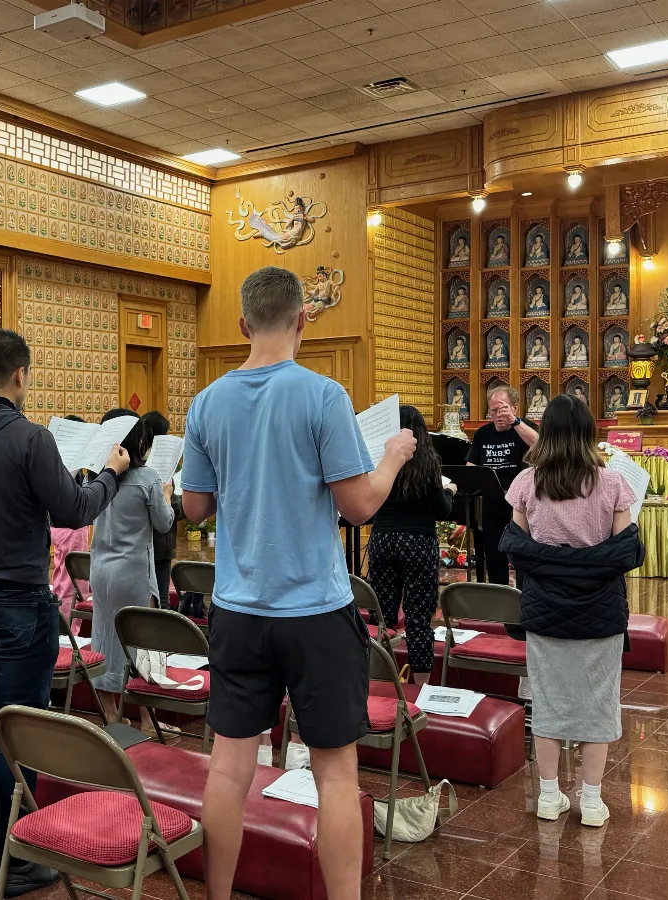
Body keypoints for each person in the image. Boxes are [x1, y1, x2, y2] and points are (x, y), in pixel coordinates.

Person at [181, 266, 415, 900]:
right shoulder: (323, 396)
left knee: (229, 771)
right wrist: (393, 455)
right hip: (315, 609)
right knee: (336, 775)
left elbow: (195, 507)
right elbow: (360, 505)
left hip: (238, 607)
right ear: (302, 319)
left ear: (241, 325)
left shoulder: (207, 403)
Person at [0, 328, 128, 894]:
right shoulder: (29, 436)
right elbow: (71, 509)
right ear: (20, 375)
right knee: (20, 725)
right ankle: (18, 857)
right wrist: (108, 474)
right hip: (18, 597)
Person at [500, 394, 643, 828]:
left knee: (547, 700)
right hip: (600, 609)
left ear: (548, 432)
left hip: (544, 608)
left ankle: (548, 796)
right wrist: (586, 560)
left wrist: (554, 561)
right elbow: (624, 552)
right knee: (598, 703)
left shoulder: (527, 482)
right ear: (588, 434)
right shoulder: (614, 483)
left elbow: (516, 550)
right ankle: (593, 803)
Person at [89, 410, 175, 732]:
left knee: (103, 639)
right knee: (142, 644)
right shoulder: (148, 478)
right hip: (134, 572)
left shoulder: (96, 476)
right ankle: (147, 720)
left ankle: (111, 715)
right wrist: (165, 495)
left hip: (100, 570)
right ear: (139, 439)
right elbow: (164, 523)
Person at [367, 406, 456, 686]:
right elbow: (442, 510)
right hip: (418, 542)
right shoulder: (428, 462)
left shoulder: (377, 458)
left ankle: (378, 680)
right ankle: (421, 689)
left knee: (380, 615)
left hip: (383, 539)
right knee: (418, 619)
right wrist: (449, 491)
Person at [466, 385, 538, 585]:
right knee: (494, 555)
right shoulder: (483, 433)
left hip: (521, 506)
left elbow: (541, 447)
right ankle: (499, 600)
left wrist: (514, 422)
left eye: (502, 409)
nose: (497, 415)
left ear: (514, 407)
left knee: (523, 555)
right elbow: (471, 466)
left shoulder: (526, 428)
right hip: (492, 503)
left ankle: (525, 598)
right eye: (493, 411)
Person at [49, 414, 91, 625]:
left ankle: (65, 627)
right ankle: (69, 630)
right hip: (70, 527)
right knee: (71, 583)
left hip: (61, 527)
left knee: (64, 579)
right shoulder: (66, 462)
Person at [141, 410, 185, 605]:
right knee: (162, 599)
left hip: (139, 544)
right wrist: (181, 504)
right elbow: (169, 503)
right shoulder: (161, 467)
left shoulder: (133, 463)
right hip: (161, 542)